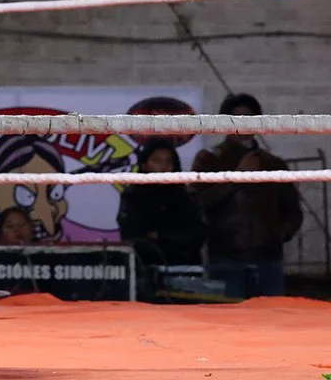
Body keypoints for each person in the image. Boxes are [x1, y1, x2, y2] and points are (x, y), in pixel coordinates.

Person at [193, 100, 301, 298]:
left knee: (273, 321)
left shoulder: (274, 163)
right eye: (237, 117)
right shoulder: (208, 160)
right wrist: (236, 178)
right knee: (230, 324)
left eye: (249, 117)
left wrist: (277, 235)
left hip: (269, 259)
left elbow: (293, 211)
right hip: (226, 257)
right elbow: (198, 204)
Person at [116, 137, 205, 269]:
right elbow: (134, 236)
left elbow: (197, 235)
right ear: (145, 165)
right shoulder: (133, 196)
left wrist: (161, 235)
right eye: (157, 161)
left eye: (169, 161)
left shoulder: (185, 196)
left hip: (184, 270)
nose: (164, 166)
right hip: (145, 271)